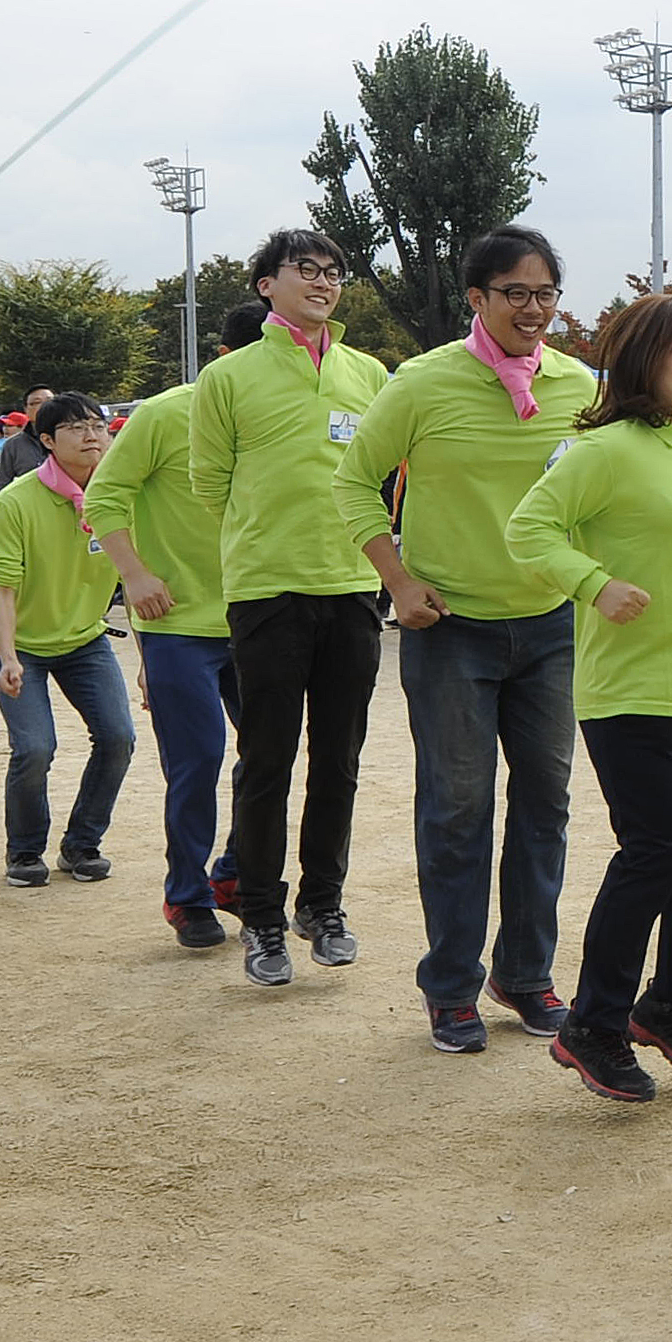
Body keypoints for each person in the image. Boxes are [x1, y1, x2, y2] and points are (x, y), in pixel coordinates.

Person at [506, 295, 672, 1102]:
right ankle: (594, 1024)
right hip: (628, 693)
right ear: (643, 360)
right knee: (655, 852)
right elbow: (528, 531)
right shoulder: (603, 450)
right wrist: (595, 583)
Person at [338, 224, 594, 1050]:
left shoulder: (579, 388)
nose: (534, 309)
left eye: (546, 292)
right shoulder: (421, 383)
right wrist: (399, 581)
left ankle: (526, 976)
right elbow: (352, 482)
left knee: (546, 806)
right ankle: (450, 986)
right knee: (457, 808)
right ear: (476, 299)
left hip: (553, 629)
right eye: (515, 293)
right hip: (451, 630)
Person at [191, 229, 389, 987]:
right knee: (266, 760)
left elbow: (380, 473)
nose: (323, 281)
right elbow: (211, 482)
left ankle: (323, 905)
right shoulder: (230, 376)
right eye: (305, 269)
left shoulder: (368, 373)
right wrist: (263, 537)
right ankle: (264, 920)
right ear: (266, 285)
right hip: (267, 590)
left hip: (350, 588)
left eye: (334, 272)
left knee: (339, 759)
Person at [85, 374, 240, 948]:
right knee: (198, 761)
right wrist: (134, 576)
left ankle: (234, 872)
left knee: (272, 759)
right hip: (176, 620)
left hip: (262, 614)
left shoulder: (287, 406)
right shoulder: (165, 413)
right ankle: (188, 895)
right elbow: (103, 496)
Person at [0, 393, 133, 887]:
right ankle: (24, 852)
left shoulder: (122, 496)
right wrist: (7, 657)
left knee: (118, 738)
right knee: (35, 748)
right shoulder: (17, 500)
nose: (92, 435)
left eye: (98, 426)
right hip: (20, 642)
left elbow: (135, 580)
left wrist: (149, 662)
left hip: (85, 640)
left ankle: (82, 843)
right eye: (76, 428)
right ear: (46, 441)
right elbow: (1, 588)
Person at [0, 387, 55, 497]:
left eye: (49, 401)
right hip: (29, 509)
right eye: (36, 402)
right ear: (26, 409)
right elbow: (2, 483)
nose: (44, 406)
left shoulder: (72, 439)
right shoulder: (12, 445)